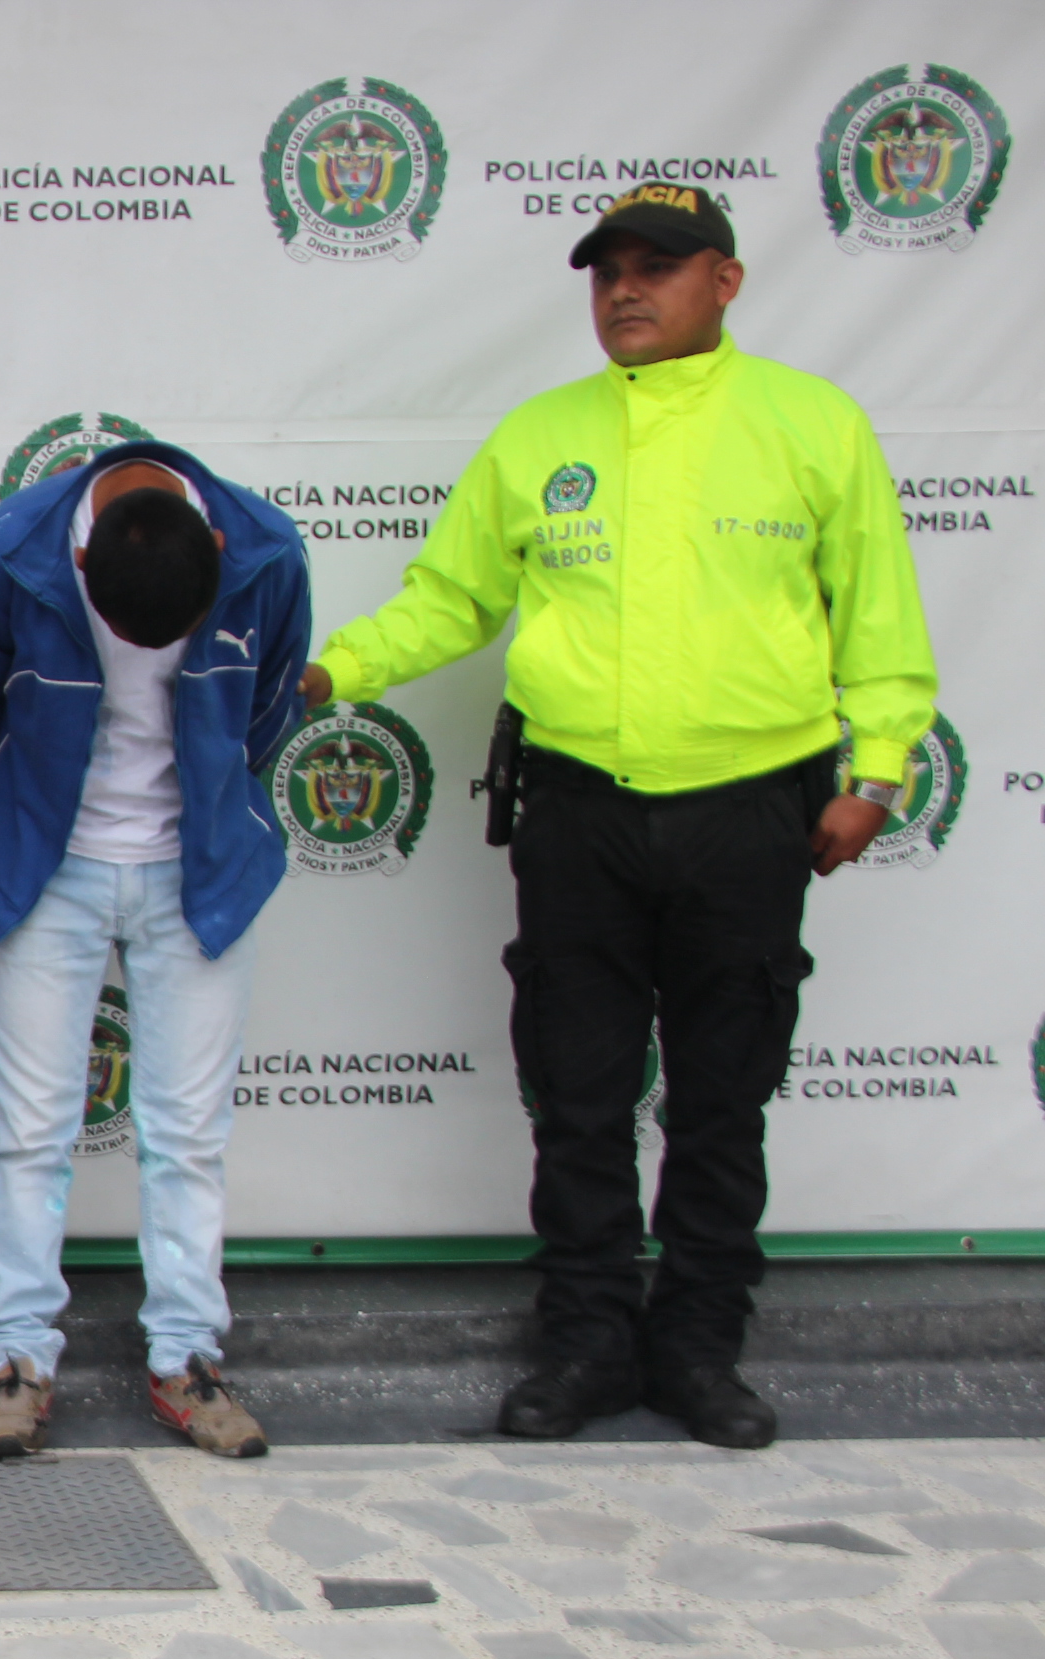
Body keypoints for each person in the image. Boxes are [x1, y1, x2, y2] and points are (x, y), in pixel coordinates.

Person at [306, 183, 935, 1450]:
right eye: (608, 272)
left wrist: (876, 777)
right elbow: (450, 601)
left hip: (752, 812)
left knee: (721, 1100)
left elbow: (879, 621)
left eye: (659, 266)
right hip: (578, 812)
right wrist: (329, 673)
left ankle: (699, 1349)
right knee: (579, 1098)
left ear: (727, 281)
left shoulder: (813, 424)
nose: (627, 291)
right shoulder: (542, 434)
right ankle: (588, 1344)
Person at [0, 446, 312, 1460]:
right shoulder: (10, 550)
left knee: (187, 1134)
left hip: (200, 867)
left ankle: (185, 1356)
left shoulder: (266, 552)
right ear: (81, 559)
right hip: (47, 865)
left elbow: (269, 706)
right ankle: (19, 1357)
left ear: (218, 552)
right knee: (31, 1132)